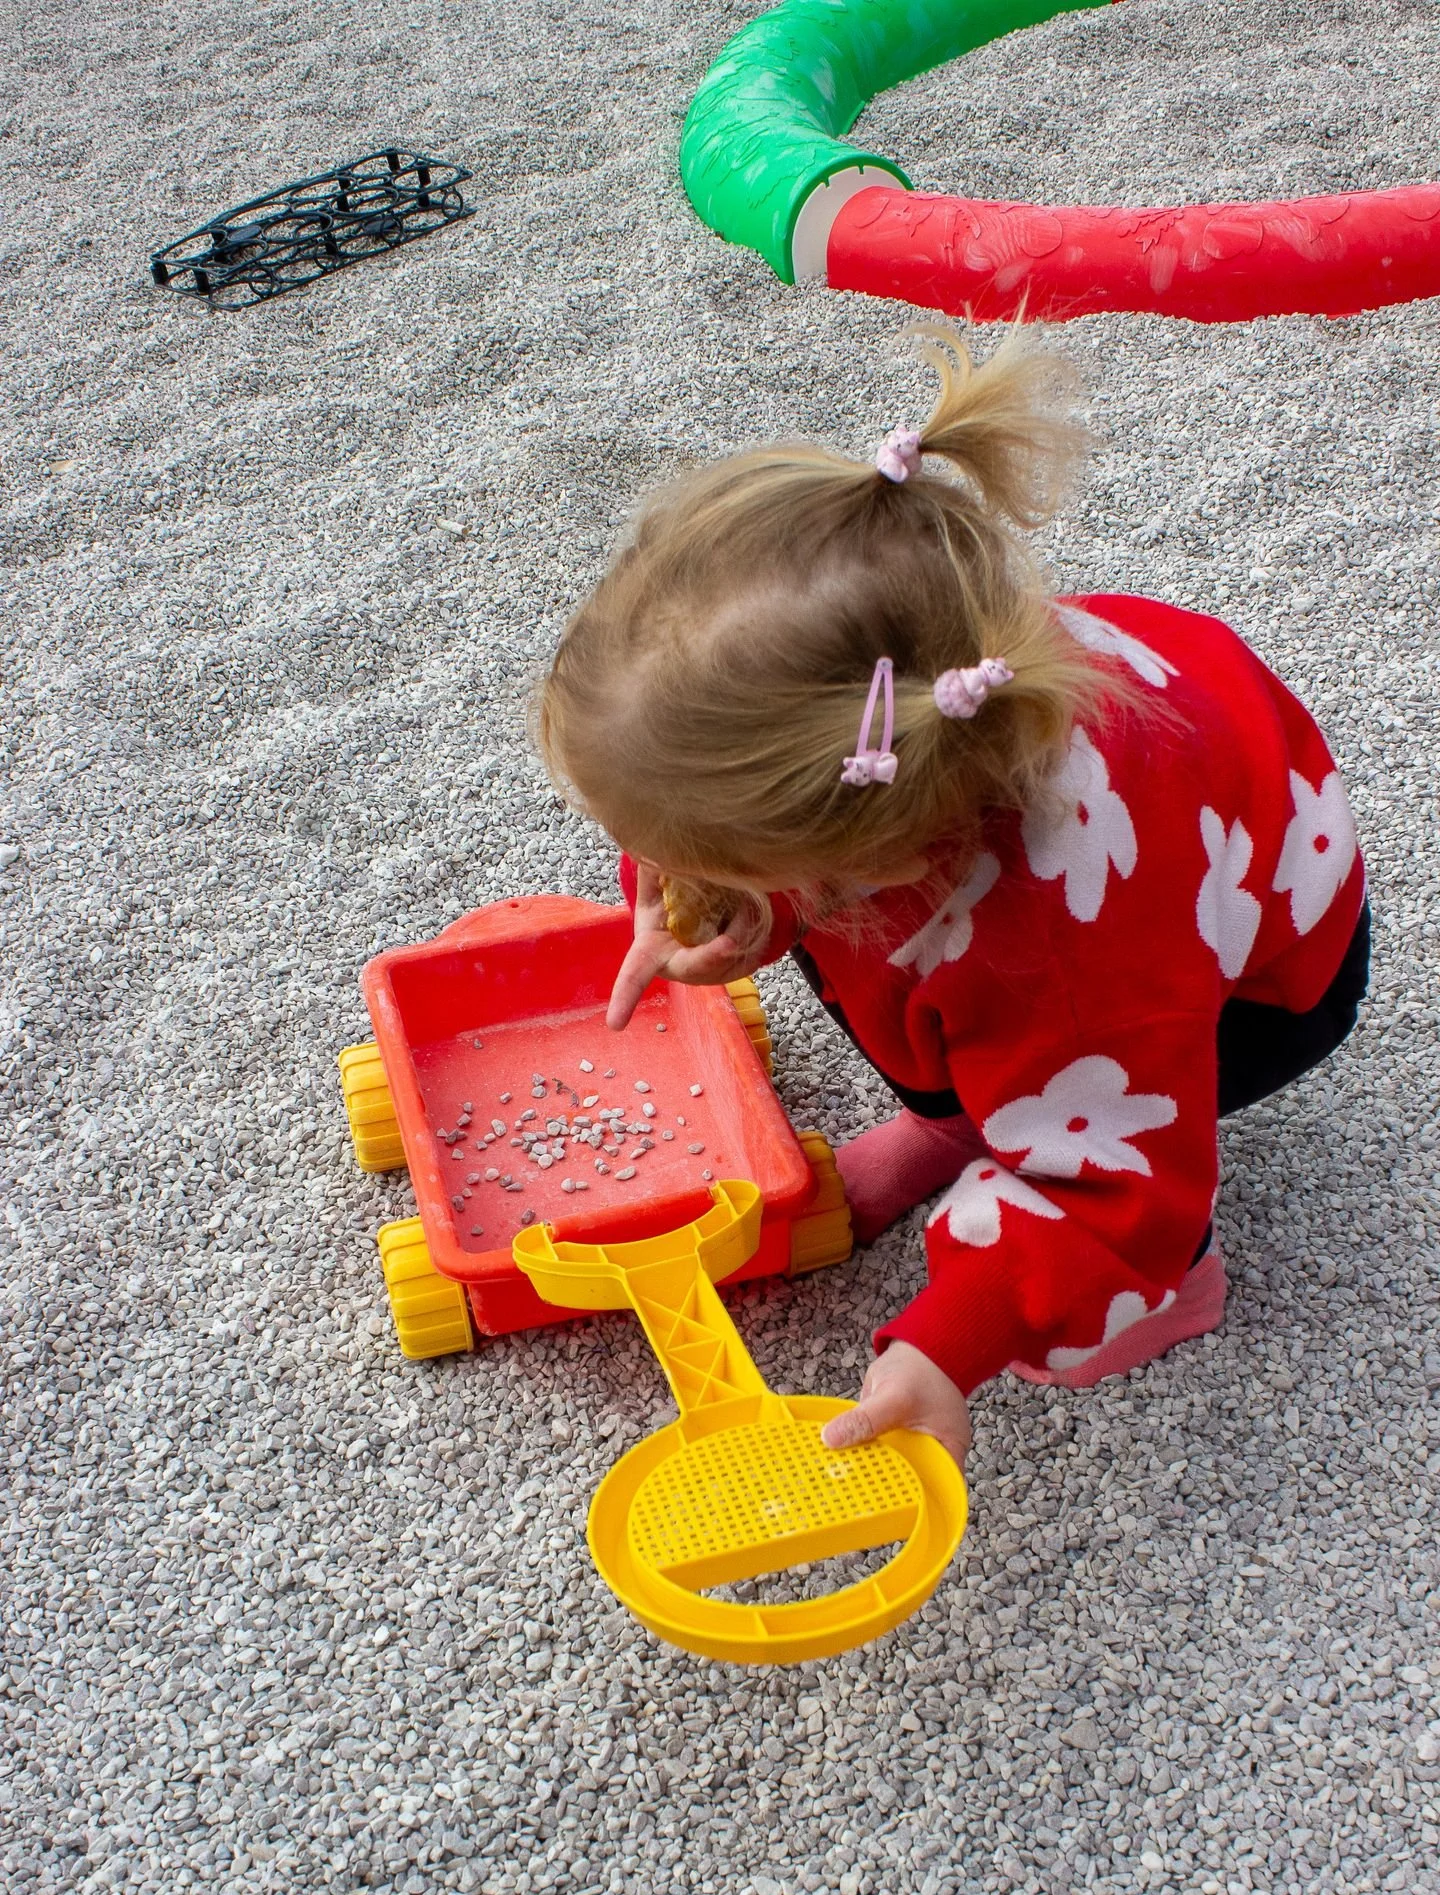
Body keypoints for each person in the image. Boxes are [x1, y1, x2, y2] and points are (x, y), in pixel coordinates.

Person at [535, 329, 1368, 1471]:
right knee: (910, 980)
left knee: (1084, 1159)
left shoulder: (1064, 950)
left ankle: (1177, 1283)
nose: (651, 872)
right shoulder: (910, 713)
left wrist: (949, 1342)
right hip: (1051, 876)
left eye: (687, 855)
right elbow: (807, 855)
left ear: (867, 850)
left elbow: (1122, 1171)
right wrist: (707, 903)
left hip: (1259, 979)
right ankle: (963, 1116)